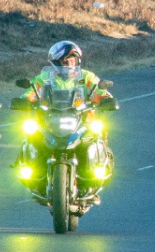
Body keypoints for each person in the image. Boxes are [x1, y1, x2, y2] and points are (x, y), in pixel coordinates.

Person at [17, 40, 118, 201]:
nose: (70, 64)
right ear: (55, 63)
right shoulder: (44, 77)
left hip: (81, 121)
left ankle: (96, 169)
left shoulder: (86, 76)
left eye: (73, 60)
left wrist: (106, 99)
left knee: (97, 131)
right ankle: (35, 173)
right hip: (49, 121)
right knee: (30, 134)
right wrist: (23, 100)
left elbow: (100, 91)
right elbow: (31, 92)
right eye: (66, 61)